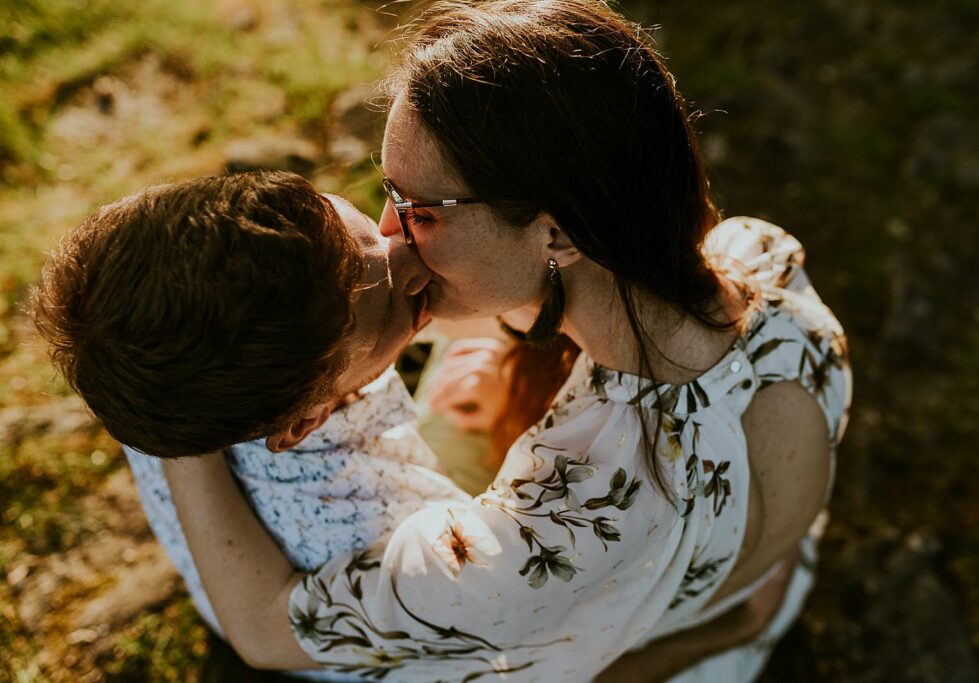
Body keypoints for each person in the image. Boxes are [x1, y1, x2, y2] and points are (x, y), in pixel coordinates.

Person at [162, 0, 852, 681]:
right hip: (750, 585)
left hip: (660, 649)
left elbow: (265, 626)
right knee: (479, 358)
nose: (389, 234)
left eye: (419, 210)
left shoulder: (562, 518)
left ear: (557, 233)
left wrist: (172, 418)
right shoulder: (765, 259)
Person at [30, 170, 780, 681]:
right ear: (308, 416)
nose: (409, 251)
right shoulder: (405, 542)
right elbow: (533, 665)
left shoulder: (149, 360)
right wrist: (725, 628)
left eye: (361, 223)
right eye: (395, 301)